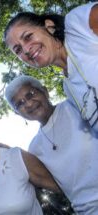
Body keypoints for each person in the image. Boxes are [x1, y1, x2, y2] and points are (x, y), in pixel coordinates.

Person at [5, 75, 98, 214]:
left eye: (30, 94)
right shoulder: (35, 148)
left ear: (45, 91)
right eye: (19, 104)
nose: (28, 104)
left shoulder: (75, 106)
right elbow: (58, 186)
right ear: (18, 113)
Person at [3, 2, 98, 135]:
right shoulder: (69, 89)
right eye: (18, 50)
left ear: (49, 26)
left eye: (28, 37)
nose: (26, 50)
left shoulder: (77, 26)